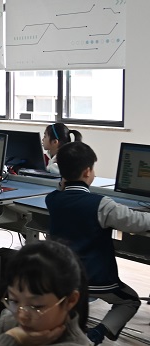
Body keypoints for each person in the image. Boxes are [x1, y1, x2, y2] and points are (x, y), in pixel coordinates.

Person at [46, 141, 150, 345]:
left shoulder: (53, 199)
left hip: (65, 277)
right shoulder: (101, 205)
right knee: (130, 300)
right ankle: (97, 334)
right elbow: (137, 222)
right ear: (87, 172)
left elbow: (61, 189)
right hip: (97, 279)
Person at [0, 241, 90, 346]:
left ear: (70, 300)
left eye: (36, 306)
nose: (22, 315)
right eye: (14, 301)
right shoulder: (16, 323)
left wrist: (11, 338)